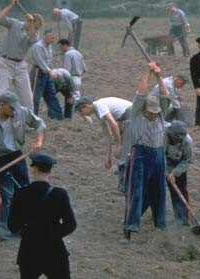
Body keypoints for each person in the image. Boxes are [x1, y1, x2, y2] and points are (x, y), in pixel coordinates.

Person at [0, 91, 46, 242]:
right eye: (11, 108)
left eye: (16, 108)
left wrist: (39, 140)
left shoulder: (21, 112)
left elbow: (39, 123)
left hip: (17, 154)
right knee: (3, 197)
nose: (14, 111)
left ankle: (20, 228)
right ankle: (0, 233)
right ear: (2, 105)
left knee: (23, 190)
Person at [8, 153, 76, 279]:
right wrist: (52, 233)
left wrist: (29, 230)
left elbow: (12, 226)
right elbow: (71, 225)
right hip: (55, 250)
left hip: (29, 251)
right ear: (49, 171)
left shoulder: (20, 194)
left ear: (34, 169)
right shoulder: (60, 194)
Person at [122, 63, 169, 241]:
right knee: (136, 191)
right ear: (143, 109)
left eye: (155, 113)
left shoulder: (161, 112)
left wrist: (159, 76)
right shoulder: (136, 112)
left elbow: (165, 95)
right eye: (150, 112)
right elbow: (140, 93)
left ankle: (160, 225)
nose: (153, 115)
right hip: (140, 154)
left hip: (158, 154)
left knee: (159, 191)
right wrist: (147, 73)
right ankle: (130, 227)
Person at [0, 0, 43, 110]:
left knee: (27, 98)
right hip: (5, 63)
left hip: (20, 66)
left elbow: (32, 38)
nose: (36, 29)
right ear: (27, 20)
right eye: (36, 26)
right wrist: (11, 5)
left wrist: (32, 24)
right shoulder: (14, 23)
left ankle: (29, 123)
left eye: (37, 27)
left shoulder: (35, 34)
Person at [75, 96, 132, 188]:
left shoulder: (100, 106)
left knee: (123, 154)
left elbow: (113, 124)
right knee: (123, 153)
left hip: (131, 116)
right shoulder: (98, 111)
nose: (82, 115)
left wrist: (118, 145)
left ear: (86, 107)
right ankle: (125, 183)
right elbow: (107, 135)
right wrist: (107, 157)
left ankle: (124, 186)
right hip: (125, 118)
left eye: (81, 112)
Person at [30, 29, 63, 120]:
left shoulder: (49, 46)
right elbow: (40, 62)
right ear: (45, 37)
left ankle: (57, 117)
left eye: (53, 38)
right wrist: (49, 71)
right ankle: (33, 118)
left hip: (48, 74)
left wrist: (51, 70)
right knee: (35, 98)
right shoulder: (37, 46)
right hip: (38, 73)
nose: (52, 40)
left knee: (51, 95)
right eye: (51, 38)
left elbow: (49, 60)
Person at [165, 121, 193, 226]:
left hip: (179, 164)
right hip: (164, 163)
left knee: (180, 191)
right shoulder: (163, 136)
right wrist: (166, 170)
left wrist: (175, 173)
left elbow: (187, 160)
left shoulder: (187, 142)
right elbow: (159, 154)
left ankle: (184, 219)